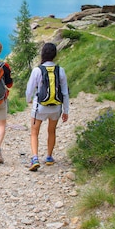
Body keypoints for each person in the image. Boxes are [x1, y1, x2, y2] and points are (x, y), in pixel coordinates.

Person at [25, 42, 69, 171]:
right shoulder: (60, 70)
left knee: (34, 132)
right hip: (56, 107)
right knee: (51, 131)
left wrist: (29, 100)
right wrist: (66, 110)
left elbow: (29, 90)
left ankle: (35, 158)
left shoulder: (37, 70)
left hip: (40, 107)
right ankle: (49, 157)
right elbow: (65, 92)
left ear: (43, 53)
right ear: (55, 54)